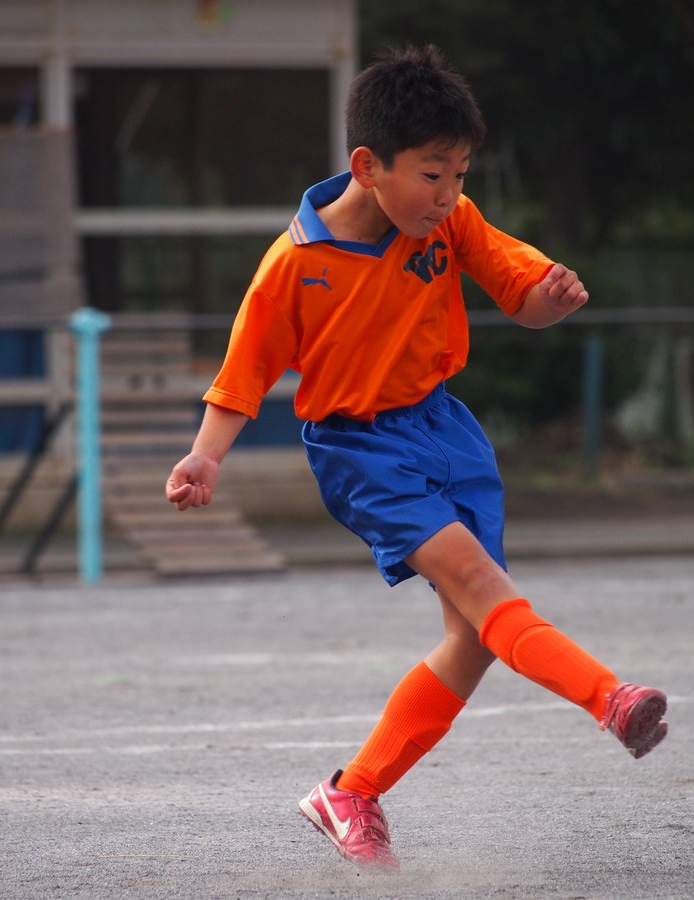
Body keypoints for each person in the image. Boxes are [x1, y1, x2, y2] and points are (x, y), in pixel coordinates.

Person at [165, 44, 668, 870]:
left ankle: (351, 792)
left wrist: (551, 298)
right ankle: (611, 698)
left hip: (446, 430)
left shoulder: (449, 221)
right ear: (369, 166)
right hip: (361, 450)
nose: (449, 196)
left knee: (476, 637)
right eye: (433, 175)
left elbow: (520, 292)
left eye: (461, 175)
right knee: (480, 585)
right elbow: (243, 373)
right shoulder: (294, 265)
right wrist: (205, 457)